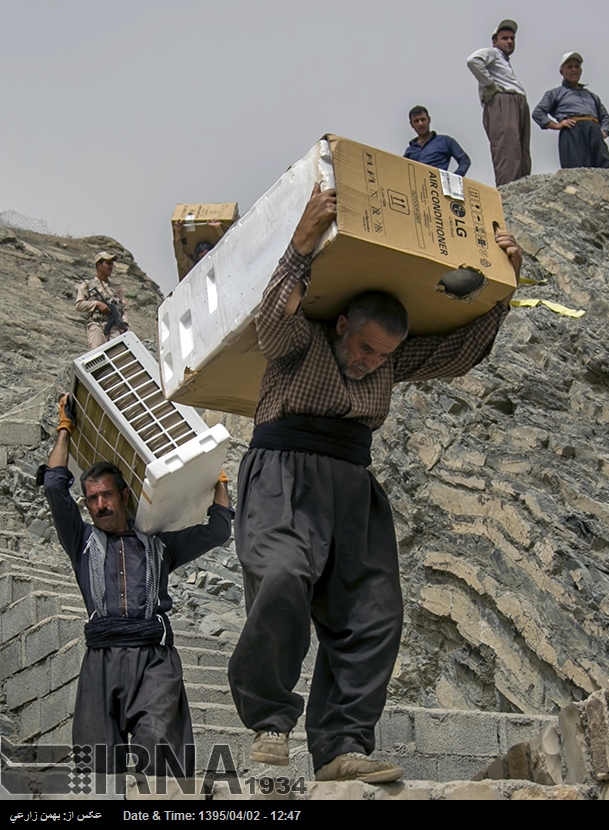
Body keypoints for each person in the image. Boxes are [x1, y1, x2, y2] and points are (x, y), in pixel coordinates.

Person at [227, 182, 522, 784]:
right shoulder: (299, 343)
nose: (369, 362)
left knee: (377, 612)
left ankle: (340, 746)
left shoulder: (390, 359)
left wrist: (503, 293)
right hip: (284, 472)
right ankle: (269, 721)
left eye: (382, 356)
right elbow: (271, 318)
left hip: (353, 487)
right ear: (341, 326)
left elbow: (458, 353)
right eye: (363, 348)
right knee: (282, 577)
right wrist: (303, 244)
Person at [40, 395, 231, 777]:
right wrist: (65, 429)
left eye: (106, 495)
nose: (99, 505)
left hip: (154, 659)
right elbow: (53, 488)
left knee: (159, 753)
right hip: (101, 659)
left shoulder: (160, 543)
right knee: (98, 766)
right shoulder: (81, 542)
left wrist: (216, 477)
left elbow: (219, 528)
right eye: (92, 499)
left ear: (124, 497)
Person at [466, 19, 531, 186]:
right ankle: (508, 190)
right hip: (503, 101)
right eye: (504, 38)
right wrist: (490, 85)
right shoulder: (492, 52)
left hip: (516, 100)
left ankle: (521, 188)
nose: (509, 41)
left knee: (521, 150)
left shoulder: (503, 59)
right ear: (495, 41)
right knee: (507, 149)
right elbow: (473, 61)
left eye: (512, 38)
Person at [532, 52, 609, 171]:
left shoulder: (591, 96)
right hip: (572, 131)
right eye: (569, 67)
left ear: (581, 70)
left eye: (576, 66)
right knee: (576, 170)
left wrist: (604, 131)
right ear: (562, 72)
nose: (574, 70)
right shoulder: (555, 93)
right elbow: (538, 112)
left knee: (606, 168)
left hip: (593, 130)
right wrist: (556, 125)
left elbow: (604, 116)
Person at [76, 252, 132, 349]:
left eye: (112, 264)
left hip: (116, 328)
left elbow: (124, 308)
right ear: (99, 265)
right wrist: (97, 304)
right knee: (97, 356)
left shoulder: (116, 288)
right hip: (97, 325)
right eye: (108, 263)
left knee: (119, 356)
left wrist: (124, 324)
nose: (111, 267)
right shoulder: (88, 284)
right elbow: (79, 305)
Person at [403, 106, 471, 176]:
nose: (420, 124)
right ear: (411, 124)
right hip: (418, 184)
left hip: (437, 183)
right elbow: (402, 171)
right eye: (416, 121)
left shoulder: (445, 141)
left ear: (429, 120)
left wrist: (454, 179)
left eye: (423, 119)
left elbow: (464, 160)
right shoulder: (410, 151)